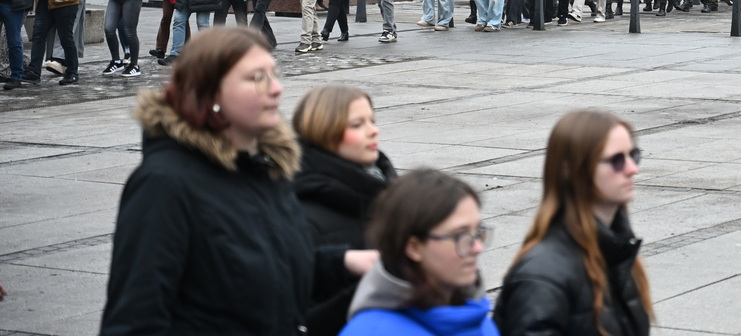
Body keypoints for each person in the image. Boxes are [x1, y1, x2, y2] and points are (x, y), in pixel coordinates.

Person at [99, 28, 377, 335]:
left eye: (274, 74)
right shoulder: (164, 184)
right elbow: (134, 319)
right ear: (209, 90)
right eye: (257, 77)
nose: (276, 89)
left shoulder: (265, 167)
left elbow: (264, 267)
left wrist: (345, 262)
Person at [494, 109, 652, 336]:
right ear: (571, 169)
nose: (632, 169)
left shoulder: (618, 253)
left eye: (633, 155)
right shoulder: (543, 276)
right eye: (616, 160)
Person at [339, 169, 496, 336]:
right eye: (459, 235)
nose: (477, 247)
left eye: (478, 231)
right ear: (414, 247)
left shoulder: (476, 316)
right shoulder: (372, 332)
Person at [292, 85, 398, 336]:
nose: (374, 130)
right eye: (357, 125)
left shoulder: (390, 193)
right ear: (323, 131)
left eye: (372, 120)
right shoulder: (303, 216)